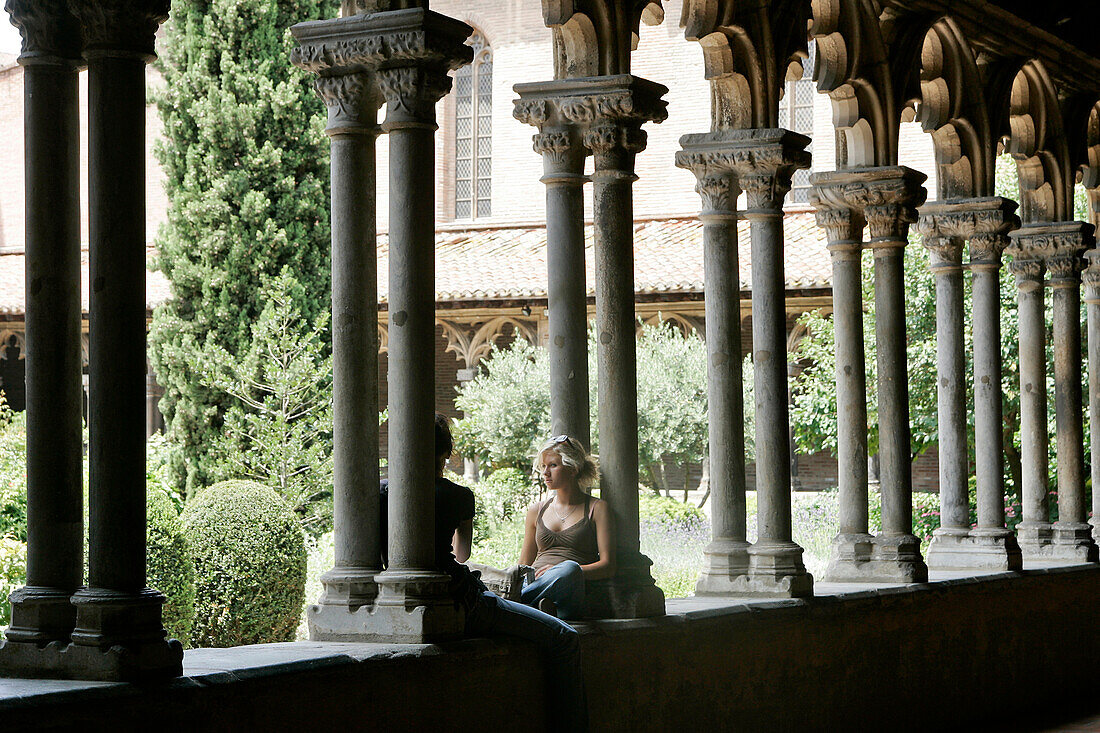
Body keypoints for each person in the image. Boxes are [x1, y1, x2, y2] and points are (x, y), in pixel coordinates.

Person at [380, 414, 588, 733]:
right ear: (446, 453)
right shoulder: (458, 496)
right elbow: (462, 554)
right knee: (565, 637)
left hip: (395, 604)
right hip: (465, 603)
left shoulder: (381, 493)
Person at [519, 435, 616, 620]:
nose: (545, 473)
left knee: (569, 569)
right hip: (535, 582)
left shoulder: (597, 509)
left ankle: (518, 603)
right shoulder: (536, 510)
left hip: (572, 588)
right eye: (543, 466)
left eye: (553, 465)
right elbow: (523, 564)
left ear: (573, 468)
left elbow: (608, 566)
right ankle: (537, 605)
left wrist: (560, 572)